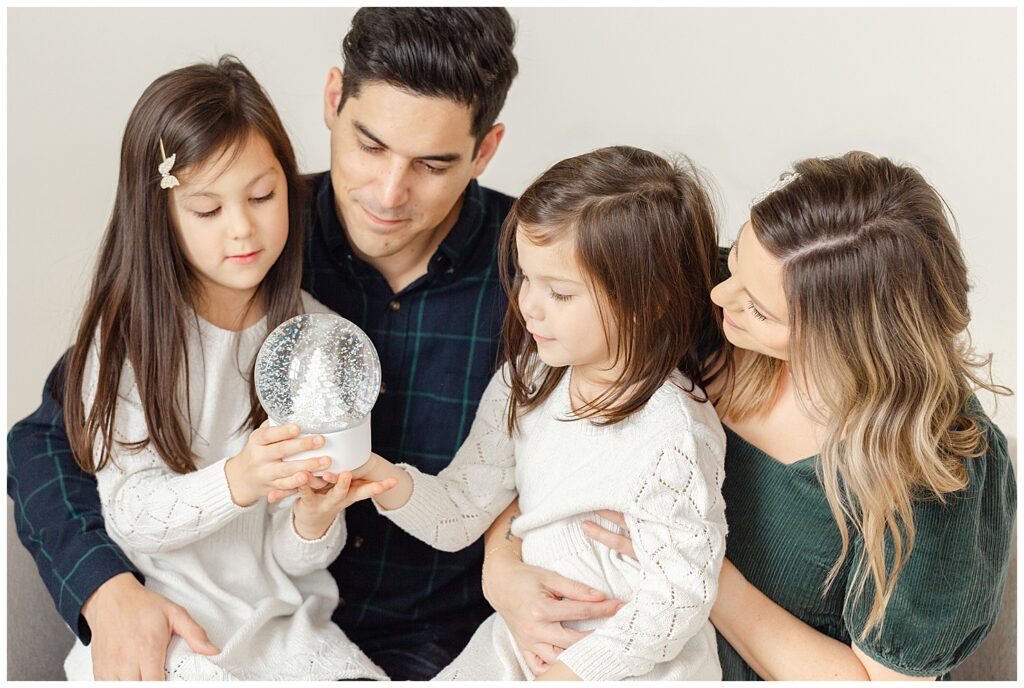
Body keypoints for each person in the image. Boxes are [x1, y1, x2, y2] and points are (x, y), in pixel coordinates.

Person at [7, 8, 520, 681]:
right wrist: (106, 591)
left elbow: (620, 402)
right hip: (222, 621)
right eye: (370, 145)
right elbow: (45, 442)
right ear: (334, 100)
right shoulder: (240, 240)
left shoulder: (539, 270)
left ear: (484, 150)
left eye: (432, 163)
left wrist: (507, 546)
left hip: (419, 637)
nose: (390, 193)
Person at [480, 151, 1016, 680]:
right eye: (735, 260)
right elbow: (540, 441)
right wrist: (502, 570)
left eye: (759, 309)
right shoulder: (694, 309)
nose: (716, 294)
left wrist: (698, 576)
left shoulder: (946, 466)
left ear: (849, 342)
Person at [57, 55, 398, 681]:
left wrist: (315, 515)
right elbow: (129, 514)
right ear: (160, 216)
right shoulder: (132, 338)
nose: (243, 228)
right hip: (167, 620)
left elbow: (293, 560)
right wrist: (237, 478)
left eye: (263, 196)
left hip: (284, 625)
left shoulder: (309, 337)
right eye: (207, 210)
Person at [345, 146, 728, 680]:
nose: (529, 305)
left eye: (561, 293)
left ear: (651, 298)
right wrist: (382, 479)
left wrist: (573, 673)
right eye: (526, 277)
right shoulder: (525, 380)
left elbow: (680, 596)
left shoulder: (672, 428)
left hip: (629, 662)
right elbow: (462, 510)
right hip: (525, 643)